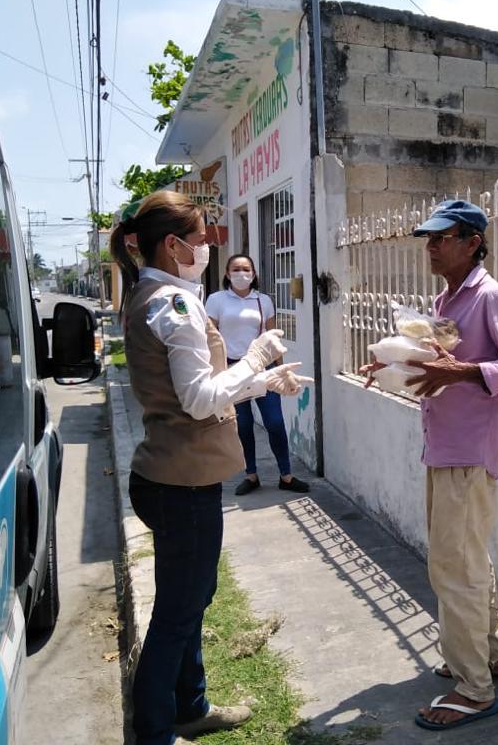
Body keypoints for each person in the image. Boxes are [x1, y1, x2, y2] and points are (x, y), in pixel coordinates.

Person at [110, 190, 311, 745]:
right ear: (173, 245)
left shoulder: (157, 295)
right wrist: (256, 357)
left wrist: (262, 382)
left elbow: (199, 392)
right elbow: (199, 400)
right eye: (200, 240)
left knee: (192, 599)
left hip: (176, 476)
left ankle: (190, 705)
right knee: (179, 610)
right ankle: (155, 730)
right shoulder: (172, 304)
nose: (208, 249)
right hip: (181, 482)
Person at [361, 199, 498, 731]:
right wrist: (393, 363)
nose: (431, 247)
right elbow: (436, 363)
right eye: (429, 239)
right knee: (467, 560)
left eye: (442, 237)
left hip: (468, 450)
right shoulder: (446, 299)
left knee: (453, 568)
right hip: (444, 445)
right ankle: (492, 657)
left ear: (472, 242)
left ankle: (474, 690)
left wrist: (462, 372)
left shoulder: (491, 296)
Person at [205, 254, 309, 496]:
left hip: (263, 369)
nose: (241, 273)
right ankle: (250, 475)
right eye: (236, 269)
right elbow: (210, 338)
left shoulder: (263, 300)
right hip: (232, 370)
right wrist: (215, 371)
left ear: (253, 274)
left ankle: (286, 476)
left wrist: (282, 371)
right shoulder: (216, 300)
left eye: (246, 269)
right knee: (242, 425)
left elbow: (273, 339)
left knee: (275, 422)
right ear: (227, 274)